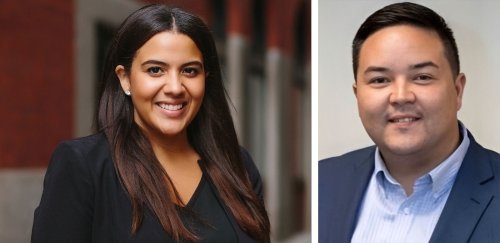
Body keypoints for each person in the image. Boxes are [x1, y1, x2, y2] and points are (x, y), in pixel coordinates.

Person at [32, 4, 270, 243]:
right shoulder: (83, 166)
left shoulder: (238, 167)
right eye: (155, 70)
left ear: (205, 79)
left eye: (189, 71)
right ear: (125, 79)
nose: (175, 88)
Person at [319, 2, 500, 243]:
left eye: (422, 77)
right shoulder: (324, 181)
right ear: (357, 95)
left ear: (457, 90)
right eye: (380, 80)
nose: (401, 96)